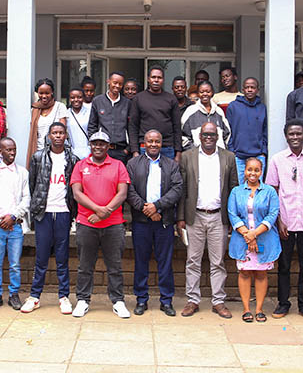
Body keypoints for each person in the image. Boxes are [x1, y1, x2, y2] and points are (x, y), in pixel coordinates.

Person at [265, 119, 303, 320]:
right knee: (283, 266)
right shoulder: (277, 160)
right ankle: (283, 304)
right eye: (291, 134)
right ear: (286, 136)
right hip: (286, 223)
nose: (295, 137)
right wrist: (279, 219)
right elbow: (272, 191)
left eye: (299, 134)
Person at [177, 122, 238, 319]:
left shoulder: (229, 157)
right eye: (205, 134)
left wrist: (232, 219)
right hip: (194, 216)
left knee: (218, 261)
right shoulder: (188, 157)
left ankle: (218, 301)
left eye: (212, 134)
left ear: (218, 136)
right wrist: (180, 218)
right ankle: (192, 300)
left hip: (219, 217)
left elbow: (234, 188)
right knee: (193, 260)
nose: (209, 137)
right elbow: (182, 189)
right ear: (200, 136)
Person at [70, 130, 131, 318]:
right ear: (90, 145)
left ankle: (118, 300)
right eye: (95, 143)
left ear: (108, 146)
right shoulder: (80, 165)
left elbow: (122, 193)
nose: (98, 146)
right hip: (87, 223)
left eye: (102, 144)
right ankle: (82, 300)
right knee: (85, 265)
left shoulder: (118, 165)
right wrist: (98, 209)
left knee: (115, 265)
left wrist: (105, 213)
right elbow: (77, 193)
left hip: (113, 224)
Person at [22, 122, 79, 314]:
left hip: (63, 212)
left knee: (62, 258)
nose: (57, 136)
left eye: (61, 133)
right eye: (54, 133)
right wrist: (35, 209)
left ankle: (64, 297)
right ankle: (34, 296)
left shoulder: (72, 158)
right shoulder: (38, 157)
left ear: (65, 136)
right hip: (43, 213)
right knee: (42, 257)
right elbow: (33, 185)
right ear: (48, 136)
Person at [126, 129, 183, 316]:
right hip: (141, 222)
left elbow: (177, 189)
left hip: (164, 221)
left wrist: (157, 207)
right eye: (150, 141)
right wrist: (147, 209)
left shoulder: (171, 165)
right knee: (141, 261)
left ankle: (166, 301)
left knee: (165, 262)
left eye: (157, 141)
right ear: (144, 142)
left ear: (161, 143)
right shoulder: (133, 164)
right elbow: (129, 190)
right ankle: (141, 299)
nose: (153, 144)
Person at [228, 157, 280, 323]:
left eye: (256, 170)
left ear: (261, 171)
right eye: (249, 169)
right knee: (244, 272)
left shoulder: (270, 191)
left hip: (264, 238)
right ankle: (246, 309)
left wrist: (254, 234)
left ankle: (258, 309)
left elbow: (273, 214)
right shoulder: (236, 191)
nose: (253, 173)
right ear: (245, 171)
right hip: (241, 239)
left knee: (261, 273)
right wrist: (247, 236)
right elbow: (232, 213)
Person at [0, 137, 29, 311]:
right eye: (8, 150)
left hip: (15, 225)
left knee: (15, 264)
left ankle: (14, 295)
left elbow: (27, 198)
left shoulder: (23, 173)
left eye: (14, 149)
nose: (12, 153)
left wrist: (13, 216)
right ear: (0, 151)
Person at [129, 66, 183, 160]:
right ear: (148, 79)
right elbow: (133, 126)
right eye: (153, 77)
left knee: (167, 175)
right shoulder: (138, 98)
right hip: (144, 147)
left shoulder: (171, 99)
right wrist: (135, 151)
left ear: (163, 80)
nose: (156, 80)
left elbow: (177, 127)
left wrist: (178, 153)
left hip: (167, 147)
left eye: (159, 78)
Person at [226, 77, 268, 183]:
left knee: (257, 188)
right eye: (247, 87)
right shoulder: (233, 106)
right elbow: (228, 130)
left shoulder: (262, 107)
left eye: (252, 87)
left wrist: (263, 151)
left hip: (258, 155)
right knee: (240, 188)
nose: (249, 90)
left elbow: (264, 131)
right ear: (243, 89)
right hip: (238, 157)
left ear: (257, 90)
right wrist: (232, 151)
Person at [88, 72, 132, 163]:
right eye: (115, 83)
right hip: (102, 149)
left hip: (121, 150)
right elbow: (92, 125)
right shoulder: (98, 101)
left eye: (120, 84)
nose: (117, 86)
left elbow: (131, 127)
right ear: (108, 81)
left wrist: (127, 149)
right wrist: (95, 146)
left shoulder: (127, 103)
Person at [180, 80, 231, 151]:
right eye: (201, 92)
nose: (205, 94)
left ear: (212, 93)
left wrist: (222, 149)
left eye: (208, 91)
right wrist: (194, 151)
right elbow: (183, 135)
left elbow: (227, 133)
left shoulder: (218, 111)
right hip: (197, 156)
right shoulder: (190, 111)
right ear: (198, 94)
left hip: (218, 156)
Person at [27, 78, 69, 162]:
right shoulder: (34, 109)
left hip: (56, 152)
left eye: (47, 93)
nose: (44, 96)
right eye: (41, 93)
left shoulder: (60, 107)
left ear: (52, 92)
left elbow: (62, 131)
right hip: (39, 152)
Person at [66, 87, 91, 160]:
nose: (76, 100)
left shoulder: (90, 112)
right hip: (72, 154)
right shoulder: (66, 114)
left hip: (88, 153)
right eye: (72, 97)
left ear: (83, 98)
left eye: (79, 97)